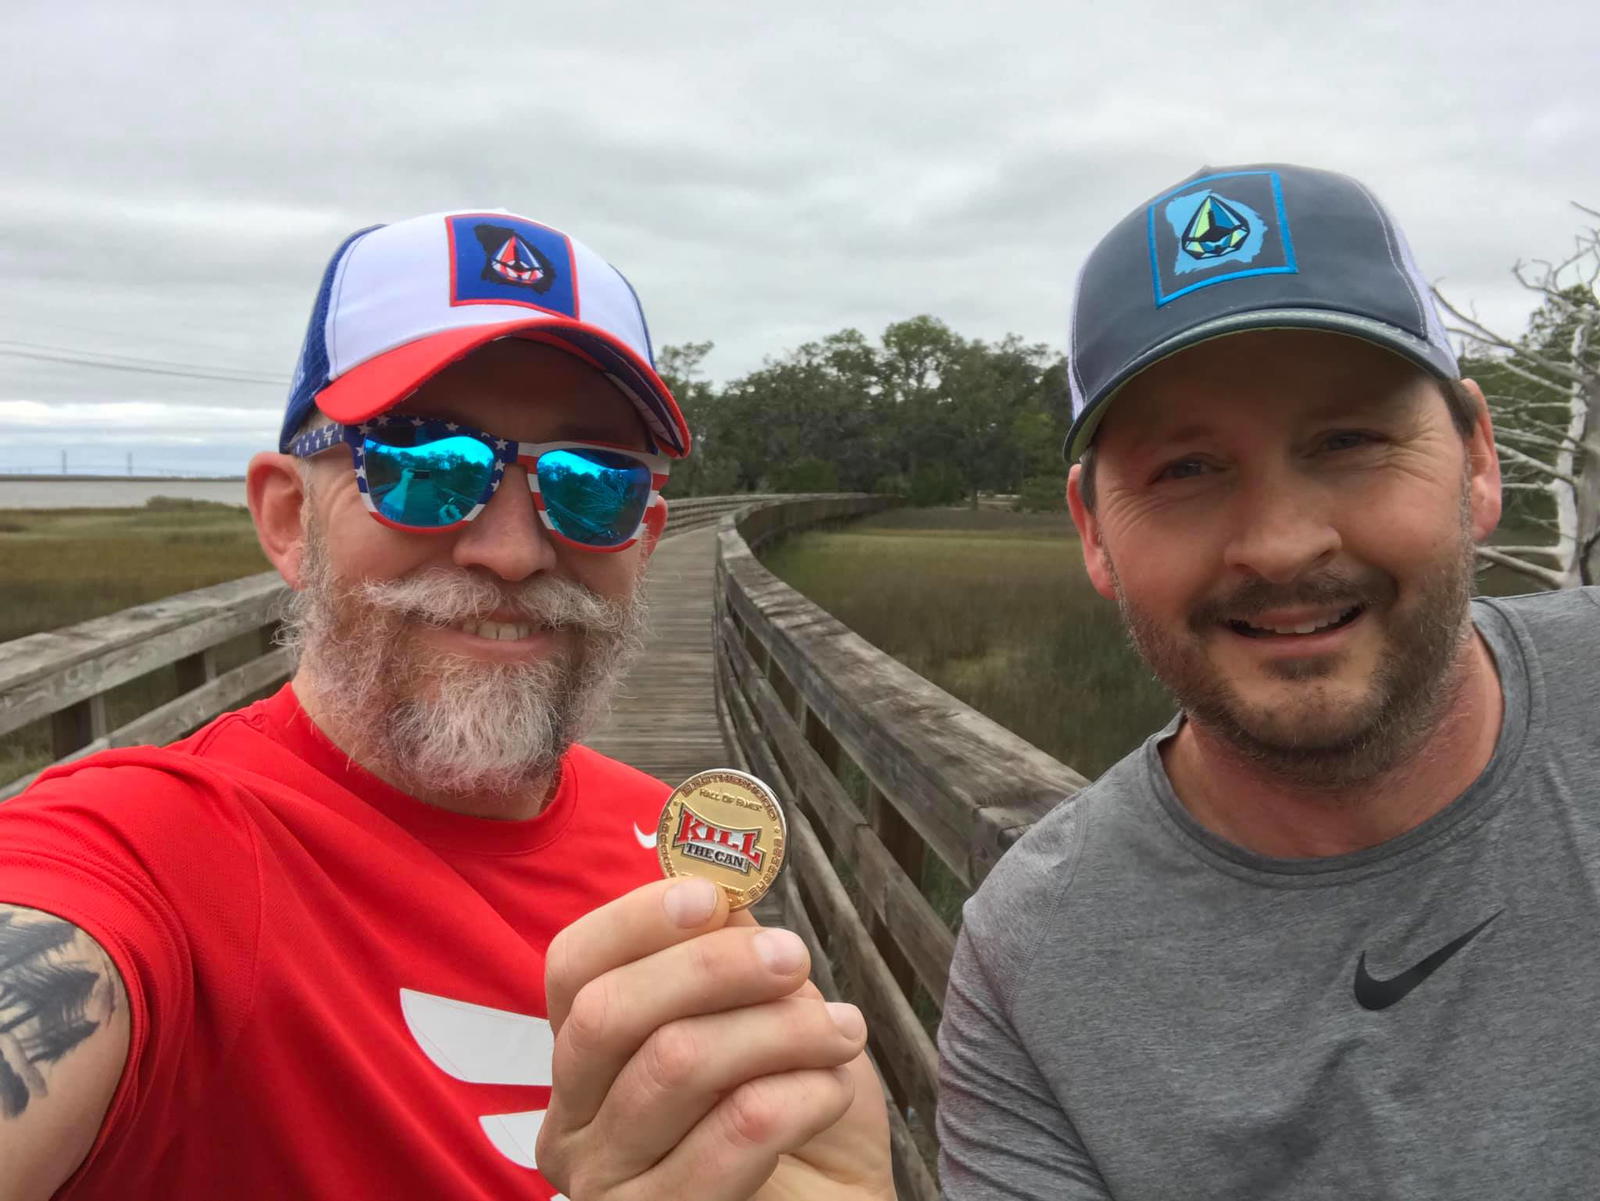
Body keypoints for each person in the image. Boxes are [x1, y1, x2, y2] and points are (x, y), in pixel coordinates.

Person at [0, 209, 884, 1201]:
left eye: (592, 484)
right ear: (290, 520)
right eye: (423, 466)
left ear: (643, 539)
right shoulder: (147, 851)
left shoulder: (671, 849)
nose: (511, 550)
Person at [935, 162, 1600, 1198]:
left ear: (1475, 459)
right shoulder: (1032, 964)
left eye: (1346, 441)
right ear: (1092, 530)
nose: (1281, 545)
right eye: (1187, 470)